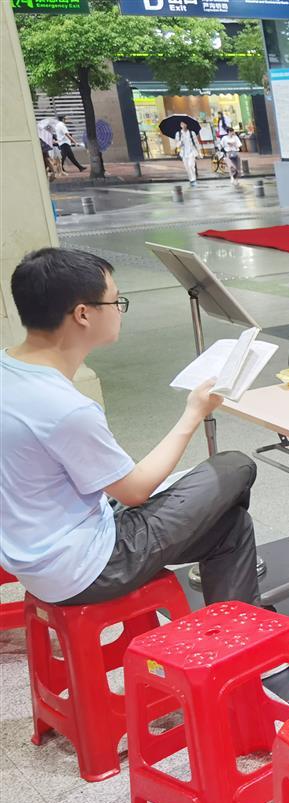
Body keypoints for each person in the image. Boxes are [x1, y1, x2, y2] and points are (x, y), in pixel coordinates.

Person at [1, 248, 261, 609]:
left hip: (32, 556)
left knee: (230, 526)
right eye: (115, 301)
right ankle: (243, 643)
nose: (119, 311)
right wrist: (194, 412)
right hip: (88, 567)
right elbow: (135, 491)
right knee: (235, 466)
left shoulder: (7, 368)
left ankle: (240, 638)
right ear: (83, 314)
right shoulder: (65, 408)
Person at [174, 121, 200, 186]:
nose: (183, 125)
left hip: (192, 152)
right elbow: (177, 145)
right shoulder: (178, 133)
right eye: (182, 124)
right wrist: (181, 142)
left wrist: (199, 152)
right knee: (187, 167)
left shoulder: (191, 133)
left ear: (187, 124)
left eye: (184, 123)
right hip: (183, 153)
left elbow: (196, 142)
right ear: (180, 125)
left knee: (191, 165)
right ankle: (191, 179)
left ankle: (193, 179)